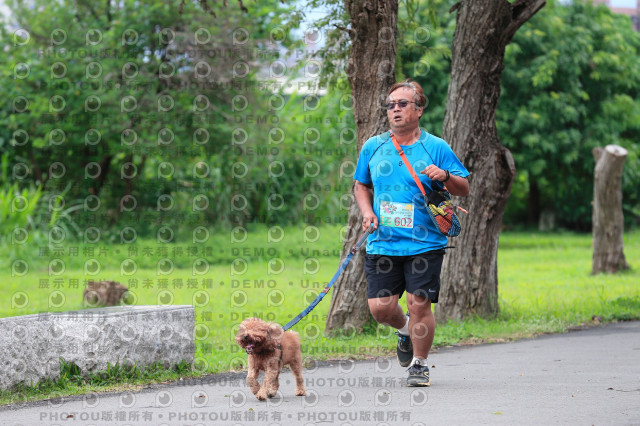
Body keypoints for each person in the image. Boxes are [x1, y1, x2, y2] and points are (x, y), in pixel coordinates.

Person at [353, 78, 469, 386]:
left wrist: (445, 176)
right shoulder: (373, 146)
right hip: (383, 242)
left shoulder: (436, 147)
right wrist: (367, 212)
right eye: (390, 105)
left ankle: (420, 364)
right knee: (380, 309)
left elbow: (464, 187)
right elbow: (361, 185)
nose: (395, 110)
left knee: (420, 303)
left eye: (402, 104)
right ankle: (404, 332)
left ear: (418, 110)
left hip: (425, 241)